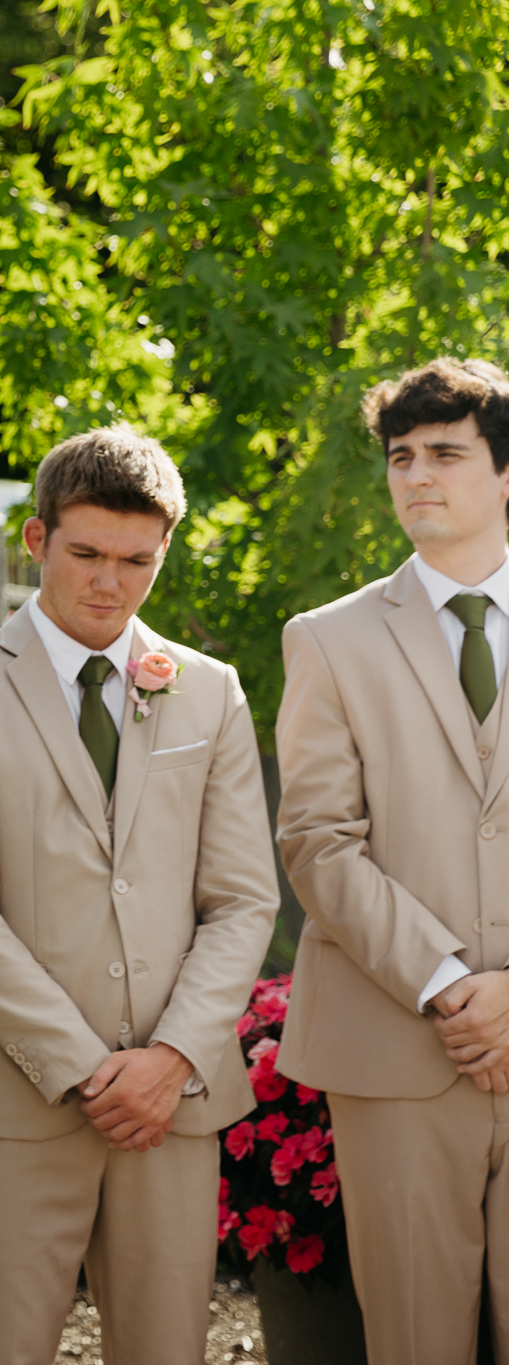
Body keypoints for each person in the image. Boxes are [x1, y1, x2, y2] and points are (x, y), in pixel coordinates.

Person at [0, 426, 276, 1365]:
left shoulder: (210, 692)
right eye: (86, 554)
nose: (109, 582)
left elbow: (241, 901)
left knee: (166, 1350)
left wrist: (170, 1058)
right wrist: (84, 1067)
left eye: (136, 561)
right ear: (37, 540)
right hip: (17, 1097)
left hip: (172, 1099)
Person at [275, 357, 509, 1362]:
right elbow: (316, 842)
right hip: (396, 1039)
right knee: (413, 1338)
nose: (415, 472)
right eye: (400, 455)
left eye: (445, 453)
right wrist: (450, 982)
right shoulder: (327, 641)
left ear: (504, 474)